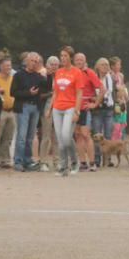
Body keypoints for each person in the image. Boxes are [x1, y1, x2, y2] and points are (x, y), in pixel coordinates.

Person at [10, 53, 47, 172]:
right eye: (32, 61)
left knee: (30, 136)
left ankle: (27, 160)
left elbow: (48, 87)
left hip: (35, 107)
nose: (34, 63)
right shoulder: (18, 75)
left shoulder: (39, 76)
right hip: (23, 107)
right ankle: (18, 161)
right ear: (26, 61)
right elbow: (13, 92)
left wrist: (49, 74)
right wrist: (28, 93)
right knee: (21, 135)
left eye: (37, 61)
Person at [51, 47, 83, 176]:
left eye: (65, 56)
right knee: (61, 139)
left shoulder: (77, 72)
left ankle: (75, 162)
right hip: (57, 108)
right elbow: (55, 92)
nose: (62, 58)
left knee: (66, 136)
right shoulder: (58, 72)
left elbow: (79, 93)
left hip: (70, 107)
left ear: (70, 57)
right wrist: (49, 109)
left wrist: (77, 111)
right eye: (61, 56)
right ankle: (63, 167)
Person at [73, 53, 101, 171]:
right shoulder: (72, 72)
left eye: (81, 60)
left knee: (86, 135)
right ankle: (83, 163)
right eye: (77, 60)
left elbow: (102, 89)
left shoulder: (89, 72)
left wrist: (95, 104)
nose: (79, 62)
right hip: (74, 108)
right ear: (74, 61)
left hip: (85, 107)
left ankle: (92, 163)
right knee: (78, 135)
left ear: (85, 61)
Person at [90, 58, 116, 167]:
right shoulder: (93, 77)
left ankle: (108, 159)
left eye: (107, 64)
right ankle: (96, 159)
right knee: (97, 135)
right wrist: (96, 99)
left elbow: (110, 92)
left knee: (108, 135)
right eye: (103, 64)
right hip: (97, 110)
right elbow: (92, 92)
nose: (105, 66)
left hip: (108, 109)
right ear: (97, 66)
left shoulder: (110, 77)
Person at [0, 56, 16, 168]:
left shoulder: (13, 78)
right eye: (7, 66)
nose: (9, 68)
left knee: (8, 137)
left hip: (12, 110)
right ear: (0, 66)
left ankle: (5, 159)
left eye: (10, 66)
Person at [40, 55, 60, 171]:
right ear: (47, 65)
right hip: (47, 108)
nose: (53, 67)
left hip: (59, 108)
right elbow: (40, 94)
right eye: (51, 64)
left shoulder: (61, 76)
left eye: (56, 64)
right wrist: (51, 94)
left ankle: (57, 161)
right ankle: (43, 161)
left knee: (57, 136)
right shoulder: (43, 77)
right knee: (46, 136)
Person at [109, 57, 129, 141]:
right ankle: (114, 141)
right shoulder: (110, 75)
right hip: (116, 102)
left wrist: (126, 96)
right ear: (112, 66)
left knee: (123, 122)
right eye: (118, 64)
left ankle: (121, 142)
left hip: (122, 101)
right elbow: (114, 89)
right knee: (116, 123)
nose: (120, 66)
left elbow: (123, 87)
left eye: (120, 64)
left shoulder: (121, 75)